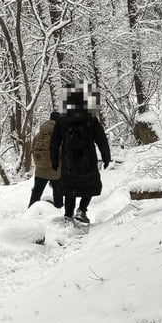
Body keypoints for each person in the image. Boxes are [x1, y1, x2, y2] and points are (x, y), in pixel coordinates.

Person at [50, 84, 111, 224]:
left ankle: (68, 215)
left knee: (69, 187)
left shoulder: (62, 120)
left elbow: (54, 142)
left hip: (68, 159)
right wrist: (106, 157)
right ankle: (82, 210)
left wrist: (54, 160)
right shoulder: (91, 118)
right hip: (88, 158)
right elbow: (101, 139)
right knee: (90, 185)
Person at [28, 110, 63, 208]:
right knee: (58, 193)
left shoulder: (40, 134)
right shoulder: (59, 134)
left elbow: (32, 149)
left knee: (36, 192)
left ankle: (31, 211)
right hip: (55, 171)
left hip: (40, 170)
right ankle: (58, 210)